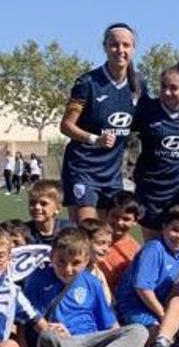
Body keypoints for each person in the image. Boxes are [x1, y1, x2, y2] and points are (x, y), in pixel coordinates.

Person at [23, 228, 153, 347]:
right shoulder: (37, 279)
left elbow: (110, 325)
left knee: (139, 331)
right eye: (61, 262)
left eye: (76, 263)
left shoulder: (92, 283)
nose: (68, 269)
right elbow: (26, 321)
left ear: (86, 260)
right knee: (48, 335)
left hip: (90, 342)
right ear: (51, 257)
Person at [59, 23, 145, 223]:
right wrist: (94, 139)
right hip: (83, 169)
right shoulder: (87, 83)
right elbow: (66, 125)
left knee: (106, 236)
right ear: (105, 46)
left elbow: (145, 122)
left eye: (126, 45)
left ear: (133, 48)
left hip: (112, 174)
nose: (120, 50)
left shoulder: (139, 84)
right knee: (87, 233)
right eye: (114, 44)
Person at [133, 62, 179, 237]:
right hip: (151, 194)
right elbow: (135, 78)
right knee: (154, 247)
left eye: (174, 88)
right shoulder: (147, 109)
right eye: (163, 87)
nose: (167, 92)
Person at [115, 205, 179, 330]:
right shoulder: (153, 249)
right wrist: (162, 314)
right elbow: (142, 288)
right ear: (164, 227)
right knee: (160, 332)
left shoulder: (178, 252)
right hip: (134, 307)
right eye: (175, 230)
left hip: (154, 304)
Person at [98, 191, 144, 290]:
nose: (119, 222)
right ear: (106, 214)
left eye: (126, 219)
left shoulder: (136, 252)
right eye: (114, 216)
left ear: (135, 221)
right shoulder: (91, 238)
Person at [78, 218, 116, 304]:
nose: (106, 249)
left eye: (109, 245)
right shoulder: (70, 271)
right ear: (85, 242)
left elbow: (107, 303)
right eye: (100, 243)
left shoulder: (98, 274)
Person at [25, 179, 63, 246]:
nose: (37, 207)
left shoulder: (68, 230)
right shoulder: (23, 232)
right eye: (32, 203)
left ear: (58, 208)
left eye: (43, 203)